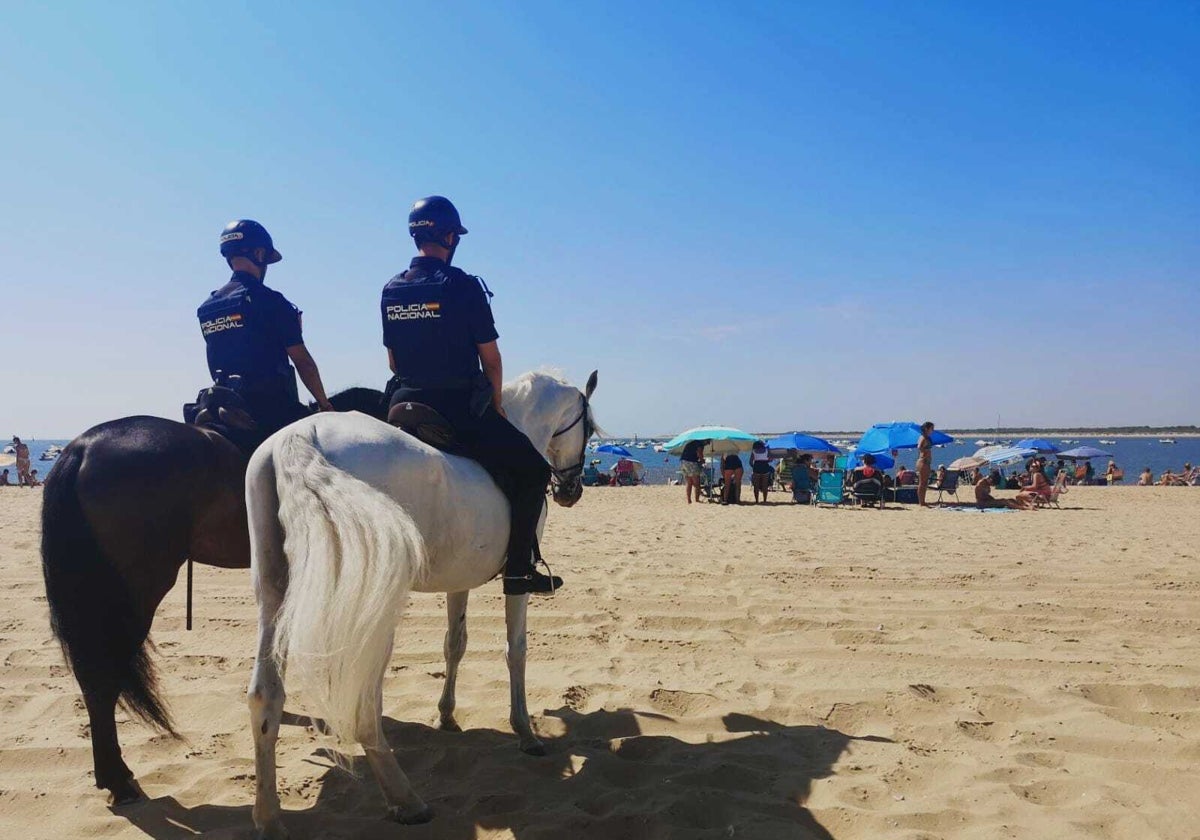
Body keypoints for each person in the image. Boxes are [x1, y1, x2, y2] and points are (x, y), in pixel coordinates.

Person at [381, 196, 558, 596]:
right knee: (534, 471)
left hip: (401, 405)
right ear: (448, 236)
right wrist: (495, 404)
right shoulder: (462, 286)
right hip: (455, 408)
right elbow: (491, 361)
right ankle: (518, 571)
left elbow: (393, 361)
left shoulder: (391, 289)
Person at [197, 220, 334, 436]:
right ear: (259, 254)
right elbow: (303, 362)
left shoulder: (207, 306)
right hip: (269, 408)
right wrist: (324, 404)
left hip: (221, 402)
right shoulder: (271, 301)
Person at [680, 438, 707, 504]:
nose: (707, 444)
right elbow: (699, 453)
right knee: (697, 482)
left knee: (689, 482)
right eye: (708, 442)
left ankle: (689, 500)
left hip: (683, 462)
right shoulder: (700, 444)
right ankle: (697, 500)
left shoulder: (693, 442)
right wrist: (702, 460)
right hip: (691, 462)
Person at [916, 421, 935, 506]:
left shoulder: (926, 437)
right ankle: (921, 502)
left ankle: (923, 501)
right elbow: (919, 447)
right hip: (923, 461)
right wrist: (925, 450)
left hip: (926, 462)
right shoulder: (923, 437)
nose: (933, 430)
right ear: (927, 429)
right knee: (922, 482)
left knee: (924, 483)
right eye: (931, 428)